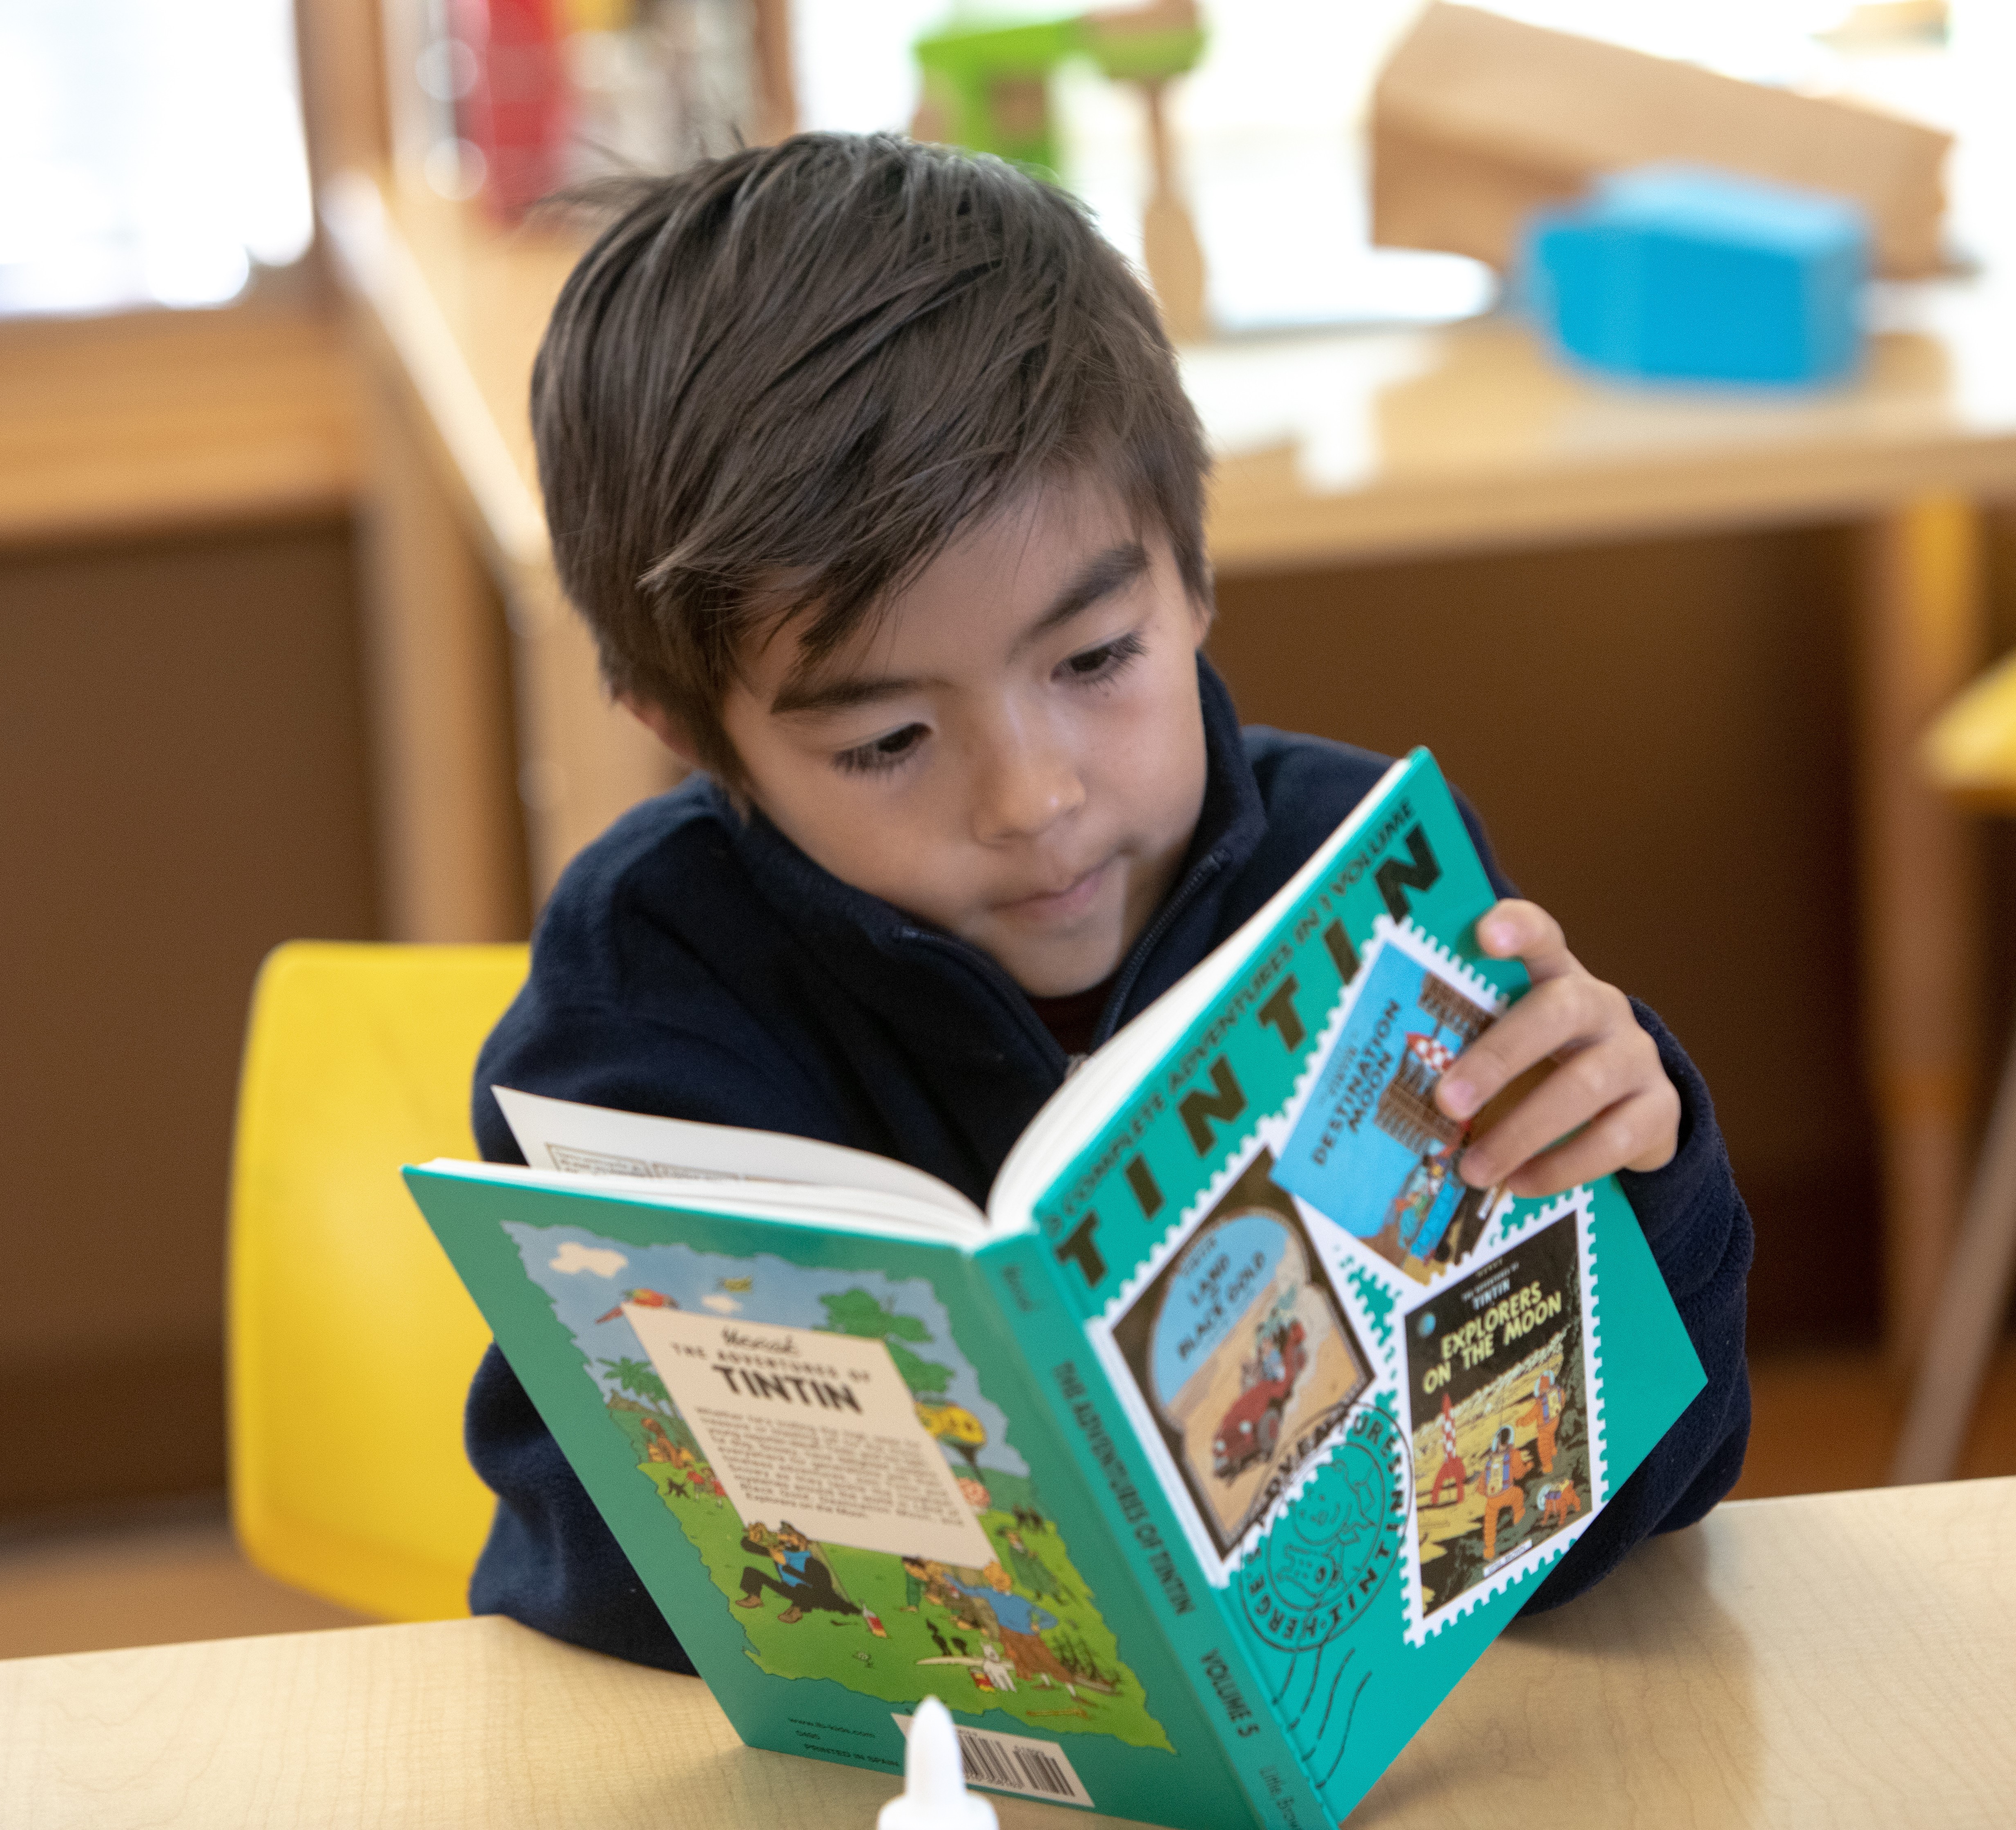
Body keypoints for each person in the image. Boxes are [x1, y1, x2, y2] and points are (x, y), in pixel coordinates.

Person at [464, 133, 1752, 1673]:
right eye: (885, 743)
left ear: (1191, 578)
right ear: (697, 738)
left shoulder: (1355, 880)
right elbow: (573, 1556)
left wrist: (1633, 1171)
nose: (1033, 801)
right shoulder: (648, 986)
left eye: (1094, 663)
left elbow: (1598, 1532)